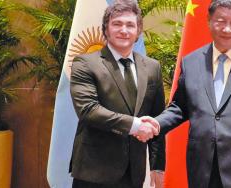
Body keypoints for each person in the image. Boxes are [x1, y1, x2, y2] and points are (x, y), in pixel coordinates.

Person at [141, 0, 231, 187]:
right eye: (220, 21)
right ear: (209, 21)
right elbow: (179, 108)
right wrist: (156, 123)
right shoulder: (191, 62)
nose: (227, 29)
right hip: (202, 165)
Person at [69, 1, 165, 187]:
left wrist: (158, 165)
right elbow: (88, 110)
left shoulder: (152, 67)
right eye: (117, 24)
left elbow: (157, 117)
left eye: (130, 25)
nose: (124, 30)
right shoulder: (85, 63)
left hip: (134, 172)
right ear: (106, 29)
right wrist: (135, 125)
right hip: (94, 171)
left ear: (138, 31)